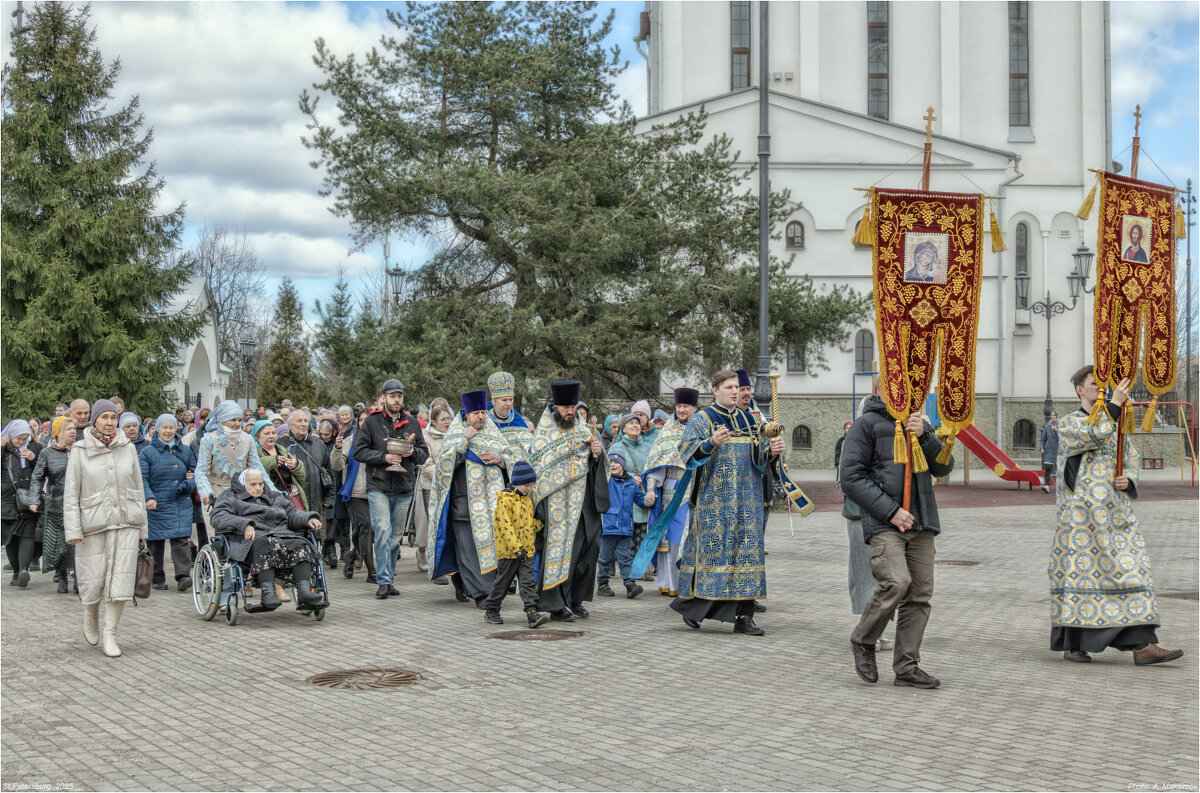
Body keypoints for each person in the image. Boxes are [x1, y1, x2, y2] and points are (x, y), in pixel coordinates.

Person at [1049, 367, 1181, 666]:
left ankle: (1143, 645)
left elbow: (1130, 456)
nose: (1101, 388)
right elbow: (1094, 434)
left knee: (1130, 571)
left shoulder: (1116, 421)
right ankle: (1075, 644)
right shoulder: (1068, 423)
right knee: (1082, 576)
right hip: (1081, 521)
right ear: (1079, 390)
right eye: (1093, 384)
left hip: (1116, 517)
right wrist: (1116, 404)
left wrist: (1128, 478)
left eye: (1103, 384)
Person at [840, 391, 953, 689]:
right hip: (885, 522)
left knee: (919, 595)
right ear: (883, 388)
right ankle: (863, 639)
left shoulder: (920, 423)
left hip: (922, 520)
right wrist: (891, 511)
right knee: (896, 582)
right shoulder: (866, 424)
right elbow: (850, 477)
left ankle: (906, 666)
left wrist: (925, 436)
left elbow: (943, 467)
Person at [665, 370, 783, 636]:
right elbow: (686, 454)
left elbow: (759, 460)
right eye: (729, 387)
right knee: (713, 557)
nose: (735, 391)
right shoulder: (702, 419)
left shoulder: (750, 420)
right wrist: (711, 442)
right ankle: (693, 609)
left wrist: (772, 453)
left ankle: (744, 617)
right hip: (714, 504)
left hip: (747, 502)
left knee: (746, 557)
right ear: (715, 390)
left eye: (737, 387)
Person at [64, 400, 147, 657]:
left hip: (126, 522)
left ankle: (110, 634)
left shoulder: (128, 447)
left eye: (113, 417)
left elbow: (138, 488)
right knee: (93, 579)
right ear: (95, 420)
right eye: (104, 418)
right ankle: (90, 614)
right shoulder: (80, 450)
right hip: (93, 523)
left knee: (121, 581)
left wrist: (143, 529)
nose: (109, 422)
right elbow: (71, 492)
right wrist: (73, 529)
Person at [529, 380, 610, 621]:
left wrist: (597, 455)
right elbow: (539, 468)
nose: (570, 412)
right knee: (561, 552)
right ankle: (554, 604)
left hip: (584, 503)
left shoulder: (584, 429)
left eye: (573, 407)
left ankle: (576, 599)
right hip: (557, 504)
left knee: (590, 549)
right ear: (555, 406)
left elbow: (596, 464)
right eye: (565, 407)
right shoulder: (543, 435)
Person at [427, 391, 508, 607]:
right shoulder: (456, 434)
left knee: (490, 549)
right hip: (464, 505)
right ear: (466, 415)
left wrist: (500, 459)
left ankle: (480, 587)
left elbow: (511, 457)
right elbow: (444, 466)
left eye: (483, 412)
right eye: (476, 413)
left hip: (493, 505)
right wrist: (465, 440)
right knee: (469, 552)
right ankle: (482, 594)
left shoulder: (494, 433)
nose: (481, 417)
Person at [354, 378, 429, 600]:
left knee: (396, 537)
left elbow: (424, 454)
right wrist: (383, 457)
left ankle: (389, 578)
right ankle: (384, 580)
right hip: (378, 484)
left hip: (403, 486)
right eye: (392, 396)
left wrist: (412, 452)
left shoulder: (412, 423)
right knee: (382, 530)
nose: (396, 400)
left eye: (399, 396)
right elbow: (359, 451)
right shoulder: (372, 422)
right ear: (384, 398)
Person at [208, 470, 324, 610]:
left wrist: (308, 519)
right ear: (243, 484)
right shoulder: (230, 497)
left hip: (281, 536)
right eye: (253, 484)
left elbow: (292, 513)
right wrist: (244, 524)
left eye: (260, 483)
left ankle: (304, 591)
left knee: (301, 544)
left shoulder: (274, 496)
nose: (258, 488)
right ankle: (268, 593)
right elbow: (218, 517)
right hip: (251, 540)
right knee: (265, 545)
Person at [641, 387, 699, 597]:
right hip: (671, 490)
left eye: (686, 406)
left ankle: (689, 582)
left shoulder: (703, 430)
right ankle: (670, 583)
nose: (682, 410)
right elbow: (656, 464)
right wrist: (650, 489)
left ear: (694, 408)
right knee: (671, 539)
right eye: (679, 406)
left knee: (689, 537)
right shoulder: (667, 433)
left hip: (696, 489)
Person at [482, 461, 549, 627]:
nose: (529, 489)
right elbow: (506, 528)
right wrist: (516, 548)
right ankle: (492, 609)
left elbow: (528, 523)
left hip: (527, 550)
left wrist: (541, 525)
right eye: (526, 485)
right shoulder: (504, 501)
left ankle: (532, 612)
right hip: (510, 552)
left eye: (531, 485)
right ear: (516, 482)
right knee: (503, 582)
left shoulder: (527, 501)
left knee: (527, 582)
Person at [195, 401, 274, 538]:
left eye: (239, 420)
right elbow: (201, 471)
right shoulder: (208, 439)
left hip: (242, 494)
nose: (237, 424)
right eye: (233, 420)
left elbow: (257, 467)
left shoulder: (248, 439)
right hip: (216, 493)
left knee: (246, 534)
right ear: (222, 420)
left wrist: (272, 490)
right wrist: (206, 492)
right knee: (219, 537)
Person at [138, 415, 197, 592]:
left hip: (180, 500)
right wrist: (149, 497)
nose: (168, 431)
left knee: (180, 539)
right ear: (157, 429)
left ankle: (183, 576)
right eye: (164, 427)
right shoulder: (147, 452)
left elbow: (195, 472)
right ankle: (157, 577)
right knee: (156, 540)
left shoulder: (185, 451)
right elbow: (142, 478)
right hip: (157, 502)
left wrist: (188, 484)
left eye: (171, 427)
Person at [29, 416, 77, 593]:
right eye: (68, 429)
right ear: (57, 433)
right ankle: (62, 577)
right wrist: (34, 499)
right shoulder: (47, 453)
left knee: (78, 544)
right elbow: (37, 477)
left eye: (73, 428)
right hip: (56, 504)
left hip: (78, 506)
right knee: (59, 545)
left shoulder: (81, 450)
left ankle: (79, 579)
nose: (73, 431)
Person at [595, 446, 647, 600]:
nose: (613, 464)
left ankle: (630, 585)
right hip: (609, 527)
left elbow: (640, 500)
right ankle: (603, 584)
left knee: (625, 558)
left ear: (623, 465)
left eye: (616, 462)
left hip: (626, 528)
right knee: (605, 558)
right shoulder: (606, 480)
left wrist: (649, 498)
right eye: (610, 462)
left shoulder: (631, 483)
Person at [331, 410, 375, 583]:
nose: (364, 422)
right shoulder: (350, 441)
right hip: (356, 492)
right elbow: (336, 466)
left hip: (379, 491)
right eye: (361, 419)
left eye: (368, 419)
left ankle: (352, 555)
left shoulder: (381, 440)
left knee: (362, 531)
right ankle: (372, 572)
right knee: (366, 526)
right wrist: (337, 448)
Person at [281, 411, 328, 563]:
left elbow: (329, 471)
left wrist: (329, 498)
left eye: (305, 421)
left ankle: (314, 568)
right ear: (289, 424)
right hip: (294, 502)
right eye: (299, 421)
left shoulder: (318, 444)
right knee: (297, 537)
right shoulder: (281, 444)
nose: (303, 424)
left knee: (316, 535)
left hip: (316, 498)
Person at [3, 420, 43, 587]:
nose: (21, 442)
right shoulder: (4, 451)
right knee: (11, 539)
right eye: (18, 438)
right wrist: (1, 445)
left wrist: (34, 459)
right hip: (7, 501)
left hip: (28, 500)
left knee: (27, 535)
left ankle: (23, 571)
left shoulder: (34, 448)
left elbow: (43, 470)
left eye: (24, 438)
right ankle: (15, 572)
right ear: (10, 436)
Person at [608, 413, 653, 563]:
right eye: (631, 423)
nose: (635, 425)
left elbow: (653, 469)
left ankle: (639, 569)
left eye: (637, 423)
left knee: (641, 538)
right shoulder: (616, 447)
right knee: (625, 542)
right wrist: (630, 477)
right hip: (624, 500)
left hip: (642, 498)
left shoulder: (648, 448)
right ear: (623, 429)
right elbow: (609, 471)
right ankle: (621, 567)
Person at [414, 405, 453, 574]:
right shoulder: (426, 437)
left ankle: (443, 562)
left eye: (449, 418)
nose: (447, 422)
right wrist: (445, 474)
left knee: (448, 525)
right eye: (443, 419)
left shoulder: (454, 435)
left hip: (452, 487)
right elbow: (426, 464)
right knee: (432, 525)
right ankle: (426, 556)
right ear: (434, 422)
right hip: (431, 487)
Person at [487, 371, 534, 465]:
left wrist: (503, 460)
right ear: (494, 402)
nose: (508, 404)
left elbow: (529, 454)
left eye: (511, 399)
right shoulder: (486, 421)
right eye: (504, 400)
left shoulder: (519, 422)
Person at [1039, 411, 1059, 493]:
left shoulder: (1061, 426)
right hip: (1049, 450)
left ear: (1057, 416)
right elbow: (1043, 439)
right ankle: (1046, 486)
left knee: (1059, 469)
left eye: (1054, 415)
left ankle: (1060, 487)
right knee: (1048, 468)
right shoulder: (1047, 427)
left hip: (1058, 450)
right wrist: (1042, 447)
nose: (1053, 416)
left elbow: (1064, 436)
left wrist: (1056, 430)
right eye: (1051, 415)